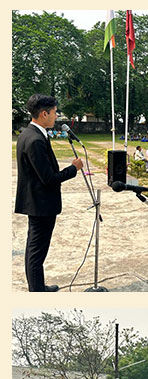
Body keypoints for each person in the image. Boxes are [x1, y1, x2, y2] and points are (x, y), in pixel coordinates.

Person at [15, 94, 83, 292]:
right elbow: (49, 178)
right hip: (41, 204)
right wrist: (73, 169)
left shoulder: (29, 134)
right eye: (54, 112)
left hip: (37, 201)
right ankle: (37, 290)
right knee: (37, 251)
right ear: (44, 113)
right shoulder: (35, 139)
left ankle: (37, 286)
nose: (56, 116)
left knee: (34, 249)